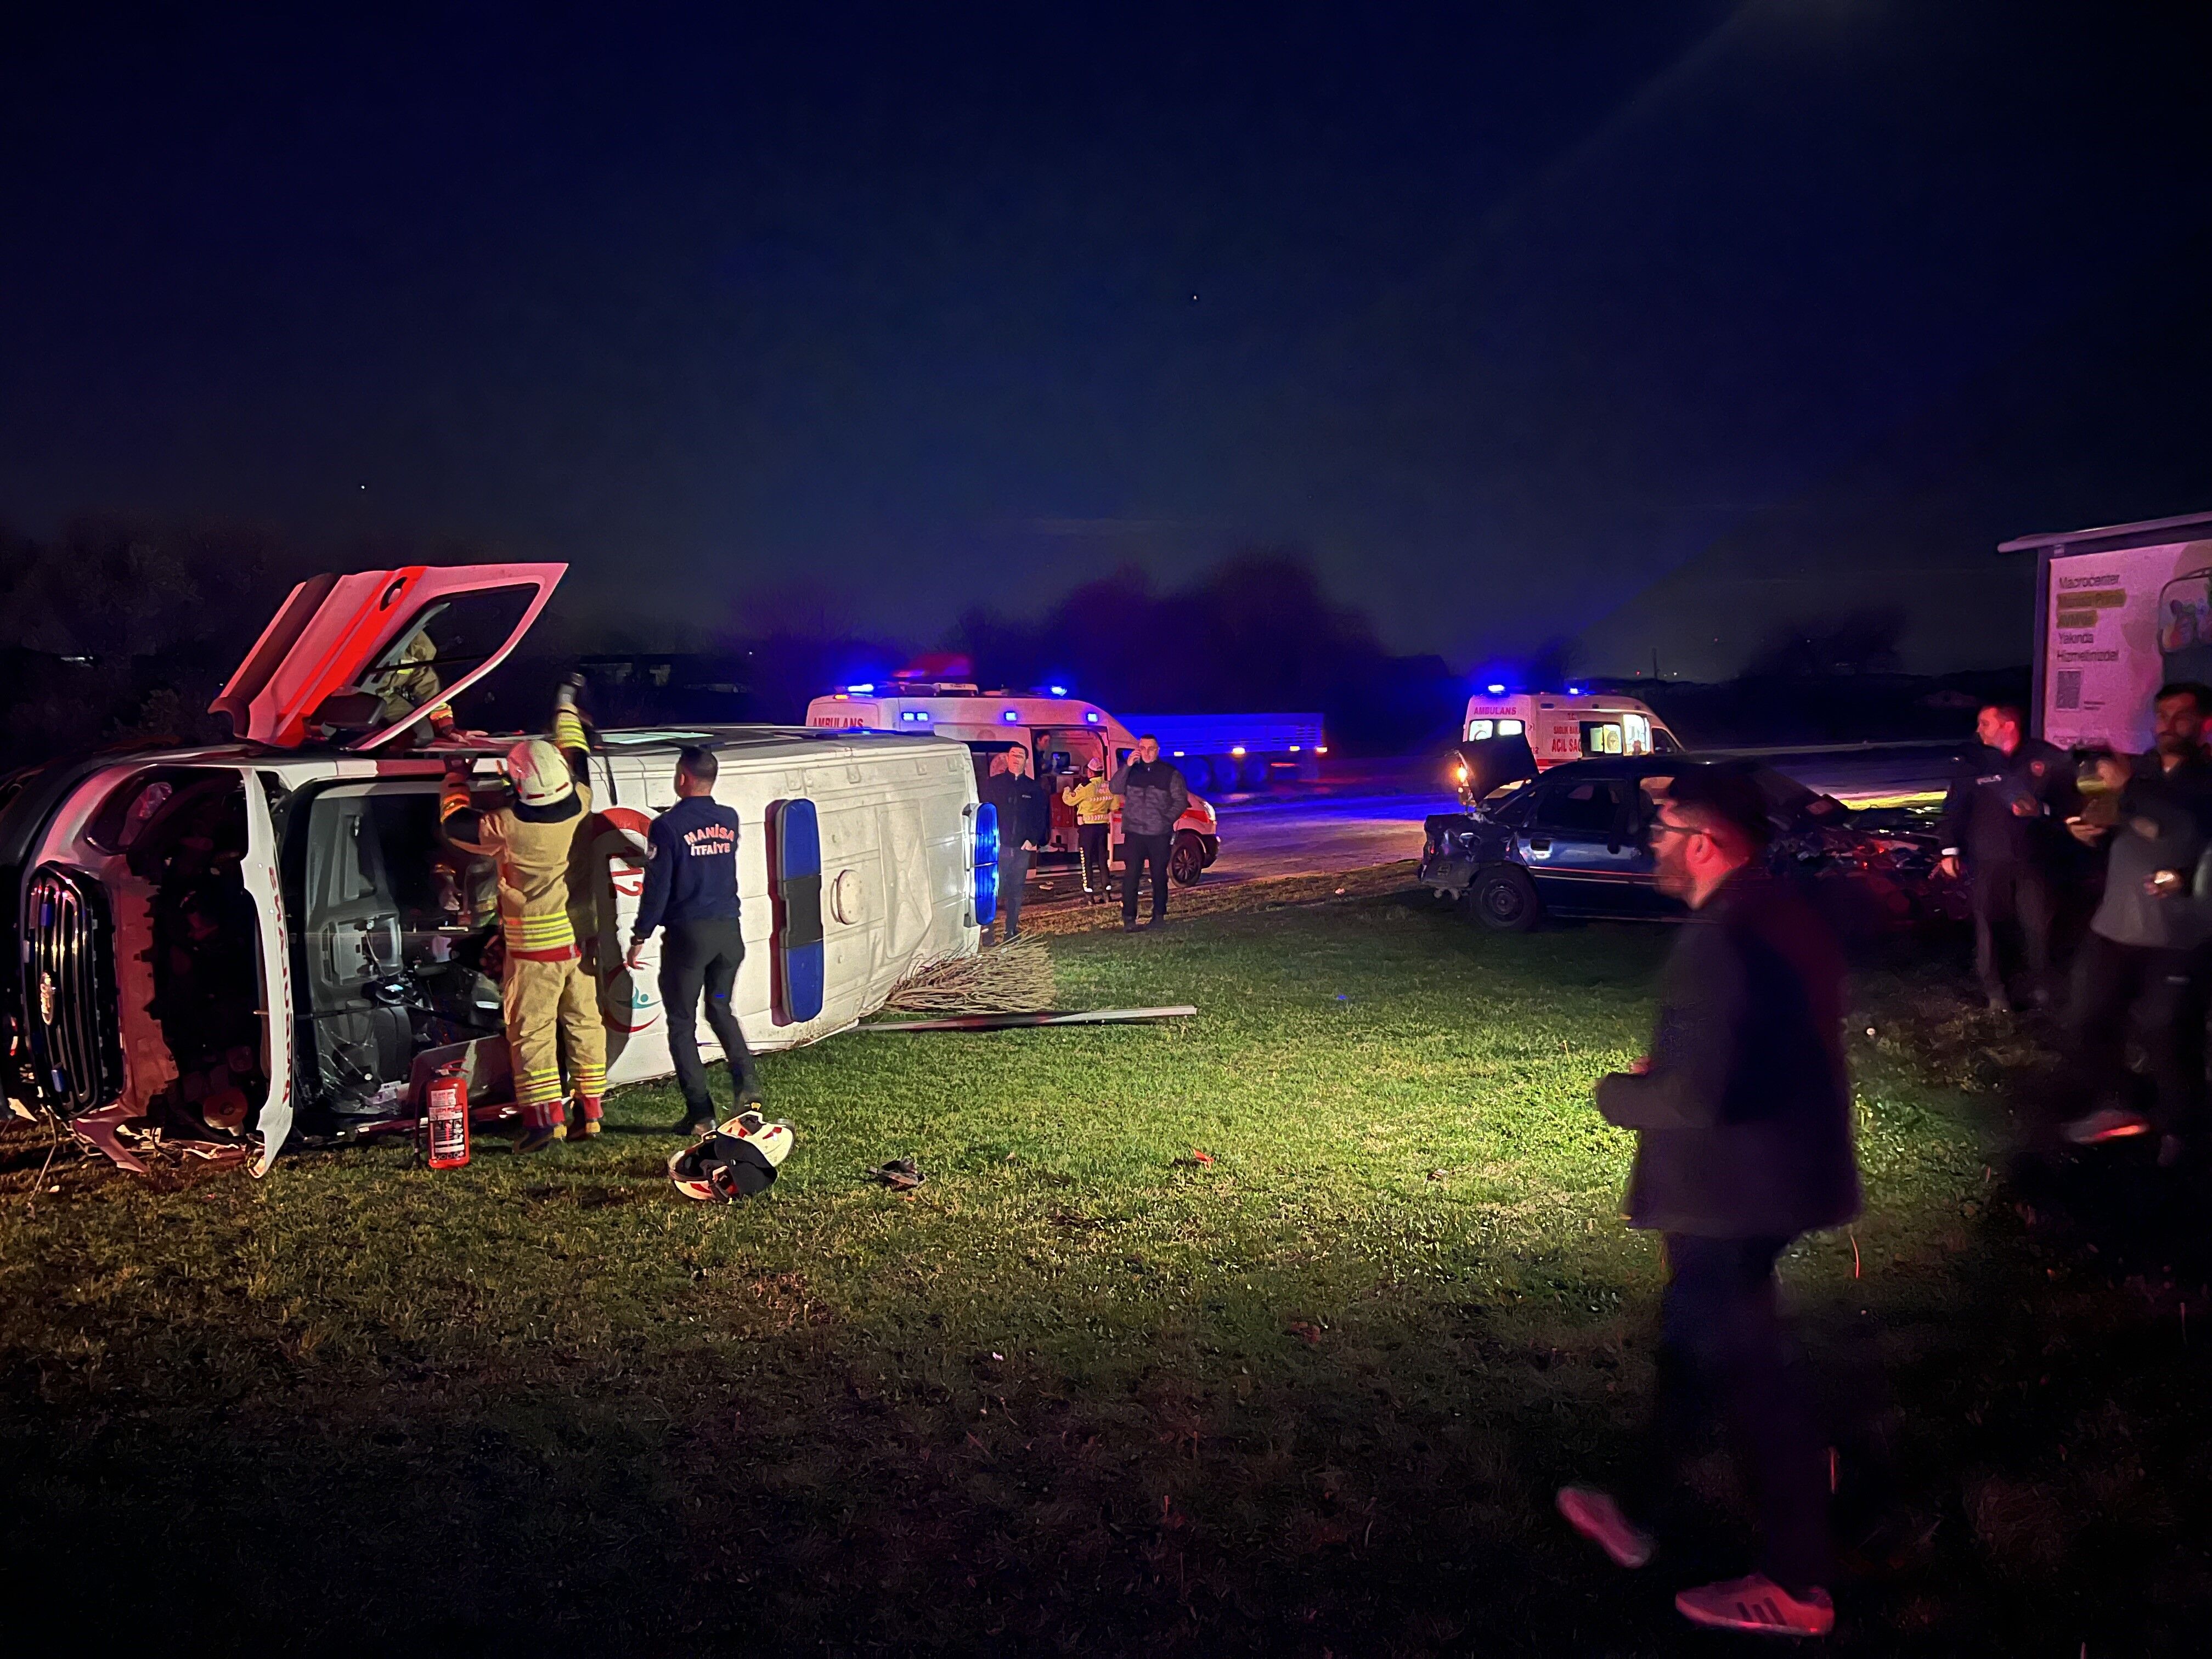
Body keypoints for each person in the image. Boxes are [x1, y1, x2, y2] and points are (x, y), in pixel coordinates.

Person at [1556, 766, 1859, 1640]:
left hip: (1735, 1192)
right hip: (1777, 1179)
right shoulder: (1777, 911)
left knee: (1754, 1380)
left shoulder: (1721, 939)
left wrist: (1619, 1093)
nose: (1651, 840)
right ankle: (1639, 1510)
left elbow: (1693, 1098)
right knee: (1693, 1350)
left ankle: (1797, 1584)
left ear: (1705, 844)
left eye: (1664, 827)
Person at [439, 676, 608, 1152]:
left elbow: (455, 825)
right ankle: (591, 1113)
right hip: (580, 941)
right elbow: (576, 753)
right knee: (585, 1023)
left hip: (535, 951)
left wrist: (455, 777)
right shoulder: (582, 801)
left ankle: (544, 1123)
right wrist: (566, 704)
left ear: (518, 786)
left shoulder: (507, 826)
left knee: (532, 1032)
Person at [2056, 682, 2212, 1160]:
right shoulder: (2138, 770)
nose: (2168, 725)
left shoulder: (2202, 779)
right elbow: (2113, 822)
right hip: (2116, 922)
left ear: (2205, 723)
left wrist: (2128, 791)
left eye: (2181, 716)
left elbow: (2184, 827)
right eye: (2162, 715)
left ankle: (2180, 1128)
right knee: (2086, 1018)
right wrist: (2089, 832)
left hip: (2178, 930)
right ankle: (2116, 1104)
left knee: (2169, 1033)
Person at [623, 745, 765, 1139]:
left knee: (683, 1023)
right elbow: (706, 861)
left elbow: (659, 887)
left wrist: (640, 934)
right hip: (728, 936)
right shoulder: (729, 819)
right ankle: (747, 1087)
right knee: (720, 1008)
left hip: (689, 940)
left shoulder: (667, 827)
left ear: (682, 777)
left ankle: (701, 1114)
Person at [1937, 702, 2076, 1012]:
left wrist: (2042, 811)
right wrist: (1949, 849)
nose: (1978, 731)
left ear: (2008, 725)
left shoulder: (2046, 757)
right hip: (1989, 860)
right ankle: (1996, 993)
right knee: (1989, 927)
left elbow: (2071, 804)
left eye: (1985, 723)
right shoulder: (1974, 762)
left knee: (2040, 927)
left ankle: (2043, 988)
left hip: (2034, 860)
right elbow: (1954, 807)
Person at [1110, 735, 1188, 932]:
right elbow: (1115, 788)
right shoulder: (1131, 771)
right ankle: (1129, 919)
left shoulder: (1170, 773)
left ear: (1158, 750)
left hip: (1159, 834)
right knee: (1131, 876)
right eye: (1143, 748)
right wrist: (1127, 766)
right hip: (1134, 832)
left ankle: (1159, 916)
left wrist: (1165, 820)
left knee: (1159, 876)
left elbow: (1181, 801)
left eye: (1151, 748)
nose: (1146, 752)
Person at [980, 746, 1050, 941]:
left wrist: (1033, 839)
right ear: (1007, 759)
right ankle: (987, 933)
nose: (1016, 759)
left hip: (1021, 849)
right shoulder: (994, 784)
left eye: (1020, 756)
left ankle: (1010, 931)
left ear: (1026, 761)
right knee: (993, 890)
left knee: (1016, 891)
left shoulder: (1034, 788)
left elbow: (1040, 817)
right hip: (998, 848)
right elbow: (984, 813)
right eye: (1013, 755)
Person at [1062, 756, 1117, 902]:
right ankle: (1107, 893)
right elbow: (1115, 806)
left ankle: (1089, 895)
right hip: (1102, 829)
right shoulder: (1110, 786)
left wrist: (1066, 790)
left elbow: (1069, 801)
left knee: (1086, 861)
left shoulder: (1085, 788)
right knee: (1102, 860)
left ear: (1091, 772)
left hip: (1087, 829)